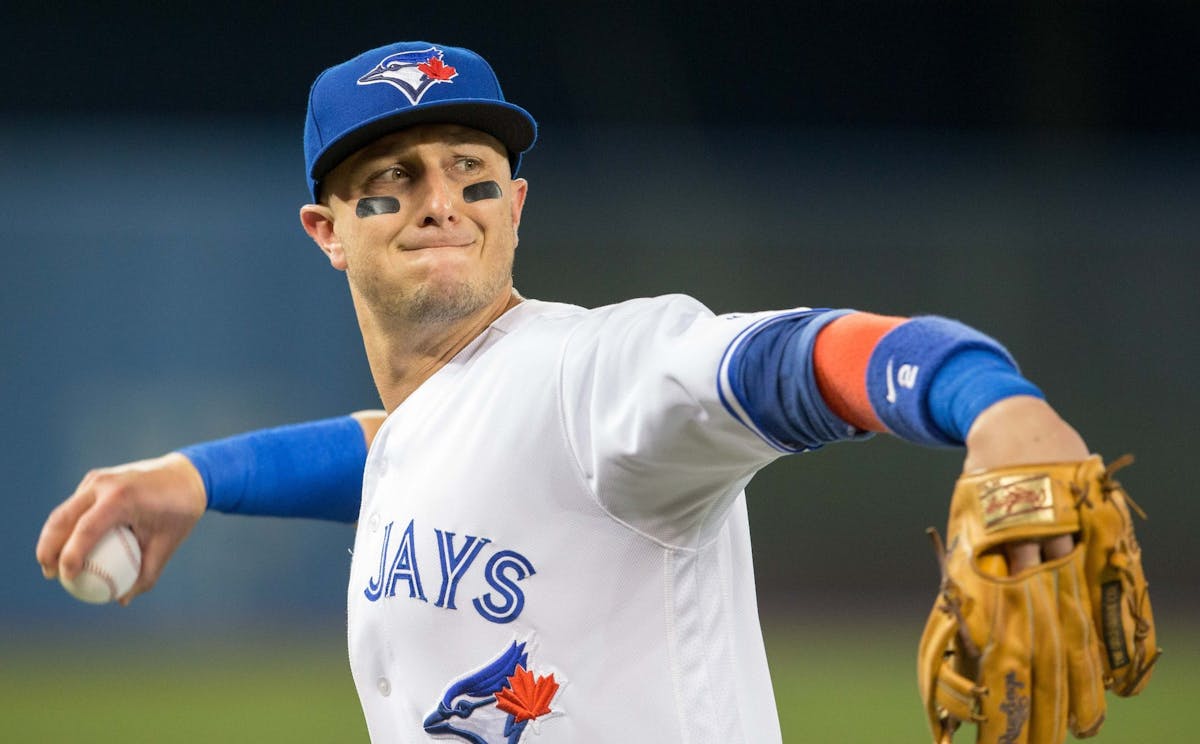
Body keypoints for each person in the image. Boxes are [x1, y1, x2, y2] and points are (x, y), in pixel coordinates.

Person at [37, 41, 1092, 742]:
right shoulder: (444, 414)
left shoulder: (598, 374)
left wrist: (990, 402)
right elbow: (405, 452)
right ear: (329, 231)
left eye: (470, 172)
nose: (440, 200)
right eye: (392, 181)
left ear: (515, 206)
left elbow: (793, 359)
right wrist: (192, 479)